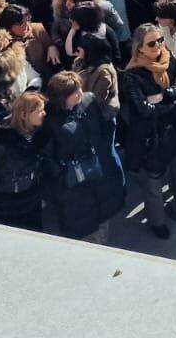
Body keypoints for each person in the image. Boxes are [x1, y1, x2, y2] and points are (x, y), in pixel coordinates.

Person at [120, 22, 176, 238]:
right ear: (140, 48)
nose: (159, 46)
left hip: (173, 128)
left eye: (161, 40)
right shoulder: (131, 75)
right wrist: (171, 103)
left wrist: (165, 96)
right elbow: (143, 110)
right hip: (150, 136)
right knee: (153, 181)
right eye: (152, 43)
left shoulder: (169, 57)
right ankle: (158, 222)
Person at [43, 70, 124, 241]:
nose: (81, 93)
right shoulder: (49, 122)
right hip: (72, 185)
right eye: (75, 92)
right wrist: (62, 173)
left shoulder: (88, 101)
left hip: (96, 173)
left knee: (102, 221)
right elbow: (48, 157)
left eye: (80, 88)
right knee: (82, 227)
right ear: (62, 97)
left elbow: (103, 129)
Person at [0, 92, 49, 230]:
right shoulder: (1, 141)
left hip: (32, 202)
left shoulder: (40, 135)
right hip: (6, 206)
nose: (44, 114)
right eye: (39, 111)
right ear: (24, 115)